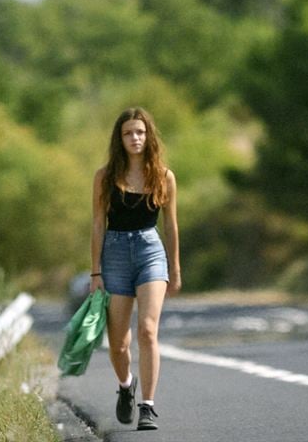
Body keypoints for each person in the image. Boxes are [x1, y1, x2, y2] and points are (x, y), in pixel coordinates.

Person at [89, 107, 181, 431]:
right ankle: (127, 385)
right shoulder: (105, 177)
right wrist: (95, 272)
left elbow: (170, 226)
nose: (135, 138)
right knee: (118, 343)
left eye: (140, 132)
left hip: (150, 252)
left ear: (148, 136)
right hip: (114, 253)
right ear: (120, 138)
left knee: (147, 330)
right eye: (129, 133)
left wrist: (175, 268)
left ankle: (148, 406)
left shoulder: (164, 176)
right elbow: (98, 224)